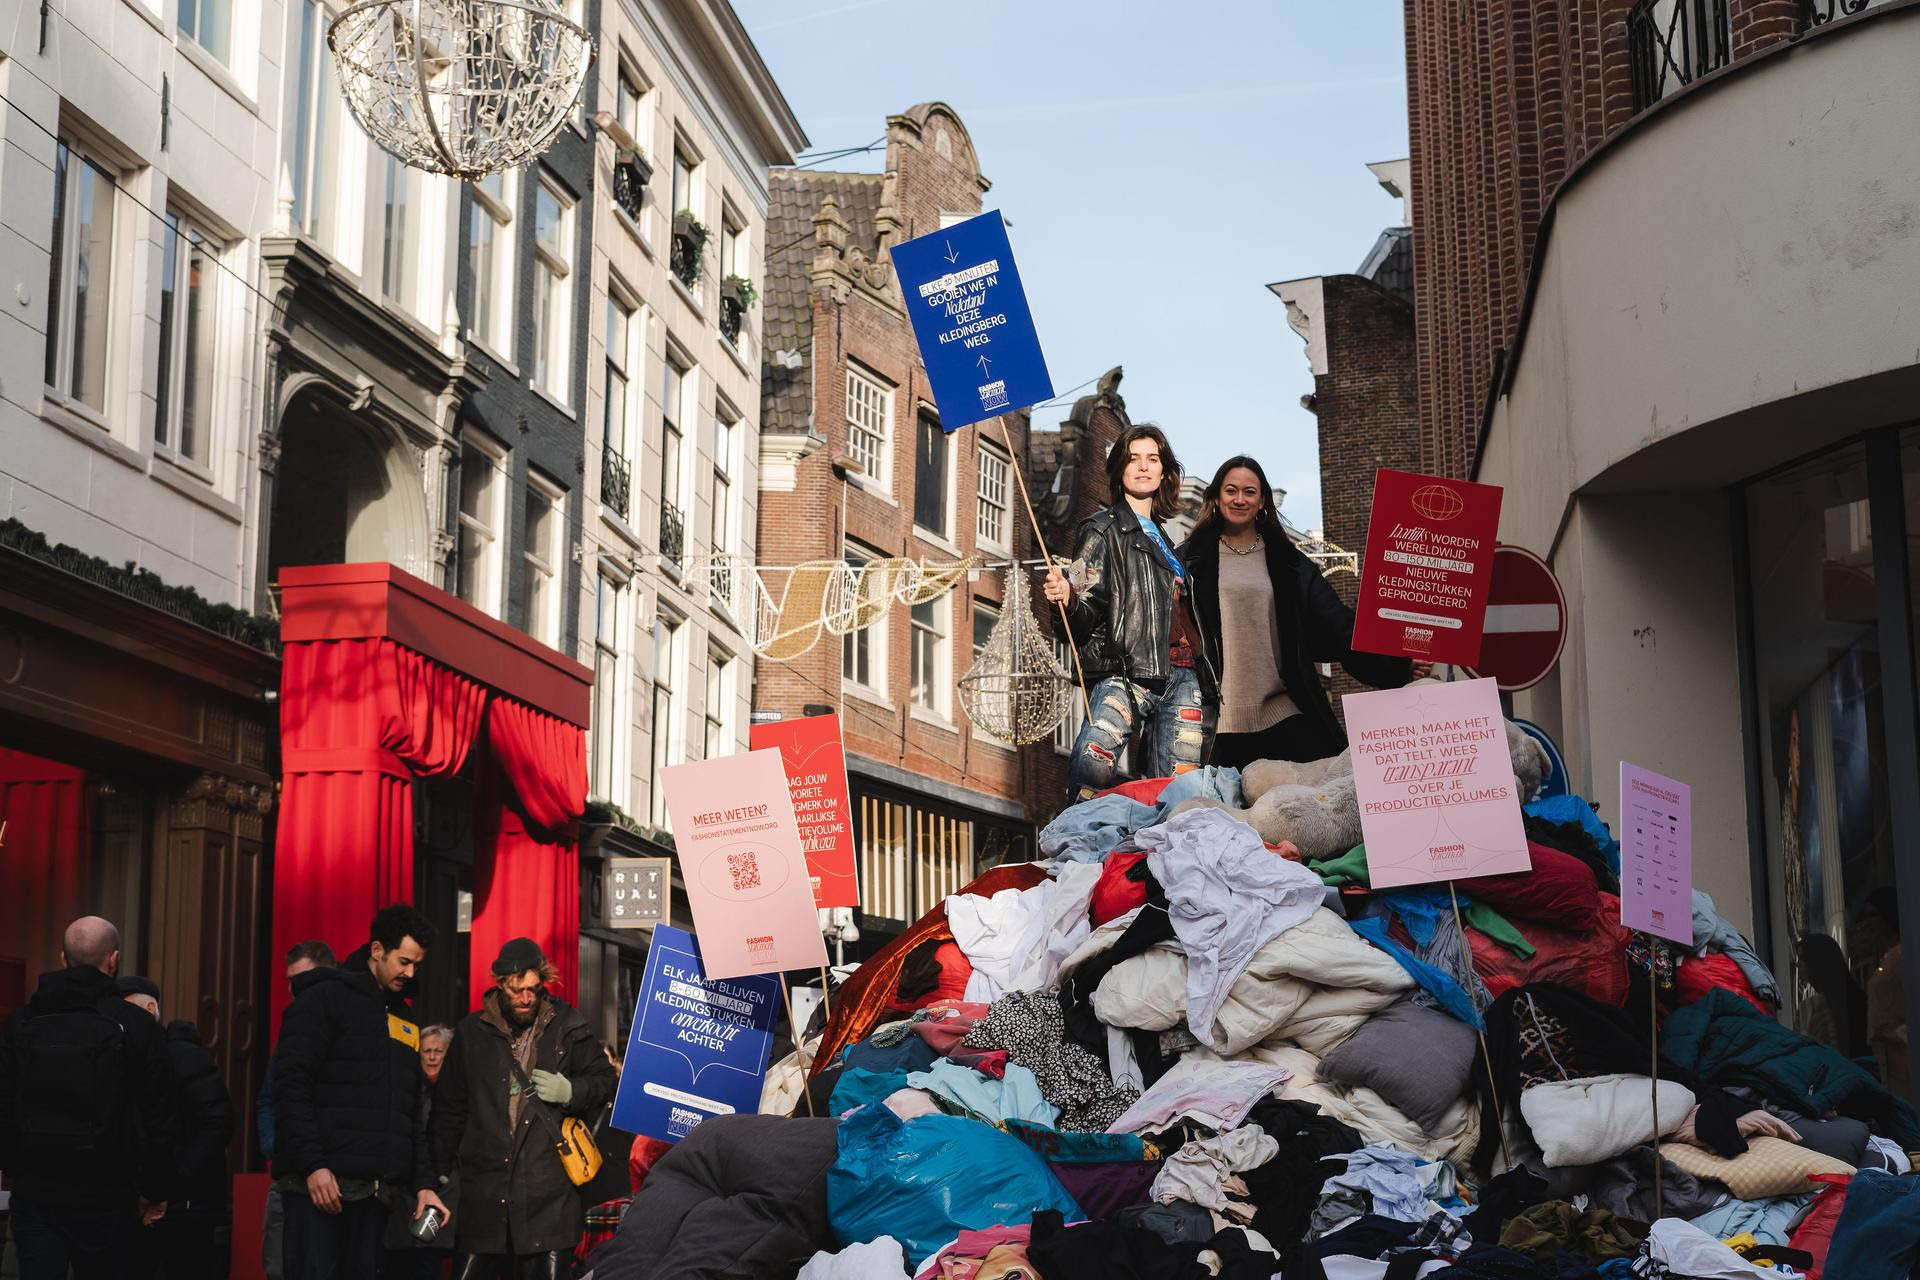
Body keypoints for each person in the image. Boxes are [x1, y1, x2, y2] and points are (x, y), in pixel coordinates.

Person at [1178, 455, 1413, 768]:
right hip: (1213, 723)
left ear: (1262, 501)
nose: (1239, 499)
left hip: (1281, 711)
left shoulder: (1290, 563)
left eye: (1249, 492)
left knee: (1332, 785)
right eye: (1230, 490)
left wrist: (1399, 660)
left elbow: (1338, 626)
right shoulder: (1187, 561)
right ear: (1217, 498)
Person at [271, 906, 448, 1280]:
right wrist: (313, 1166)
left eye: (417, 964)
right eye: (403, 961)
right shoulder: (323, 999)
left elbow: (408, 1111)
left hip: (375, 1197)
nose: (410, 973)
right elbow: (289, 1086)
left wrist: (425, 1186)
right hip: (318, 1191)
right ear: (377, 949)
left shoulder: (405, 1018)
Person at [1043, 424, 1218, 800]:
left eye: (1152, 459)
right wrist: (1067, 597)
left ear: (1164, 471)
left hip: (1183, 677)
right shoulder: (1098, 530)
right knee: (1092, 774)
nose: (1143, 467)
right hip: (1127, 672)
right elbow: (1076, 611)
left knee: (1180, 793)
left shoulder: (1168, 542)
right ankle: (1076, 850)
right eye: (1133, 458)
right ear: (1119, 468)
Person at [0, 916, 175, 1280]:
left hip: (36, 1190)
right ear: (113, 960)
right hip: (107, 1194)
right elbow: (157, 1114)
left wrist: (14, 1168)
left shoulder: (19, 1023)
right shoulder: (136, 1024)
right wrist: (154, 1189)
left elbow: (4, 1102)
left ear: (63, 958)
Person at [432, 937, 616, 1279]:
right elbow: (448, 1107)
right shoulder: (472, 1032)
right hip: (484, 1196)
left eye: (533, 988)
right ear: (500, 984)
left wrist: (570, 1090)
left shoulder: (568, 1025)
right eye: (517, 990)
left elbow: (605, 1080)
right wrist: (441, 1171)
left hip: (548, 1194)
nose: (526, 998)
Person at [117, 977, 234, 1280]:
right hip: (141, 1204)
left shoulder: (184, 1057)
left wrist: (168, 1187)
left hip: (188, 1207)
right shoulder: (123, 1057)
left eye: (128, 1010)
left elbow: (217, 1125)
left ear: (151, 1008)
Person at [258, 939, 336, 1280]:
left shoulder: (344, 1029)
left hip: (333, 1176)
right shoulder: (290, 1033)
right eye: (291, 981)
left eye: (302, 980)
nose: (294, 989)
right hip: (289, 1174)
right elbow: (268, 1098)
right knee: (281, 1266)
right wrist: (274, 1145)